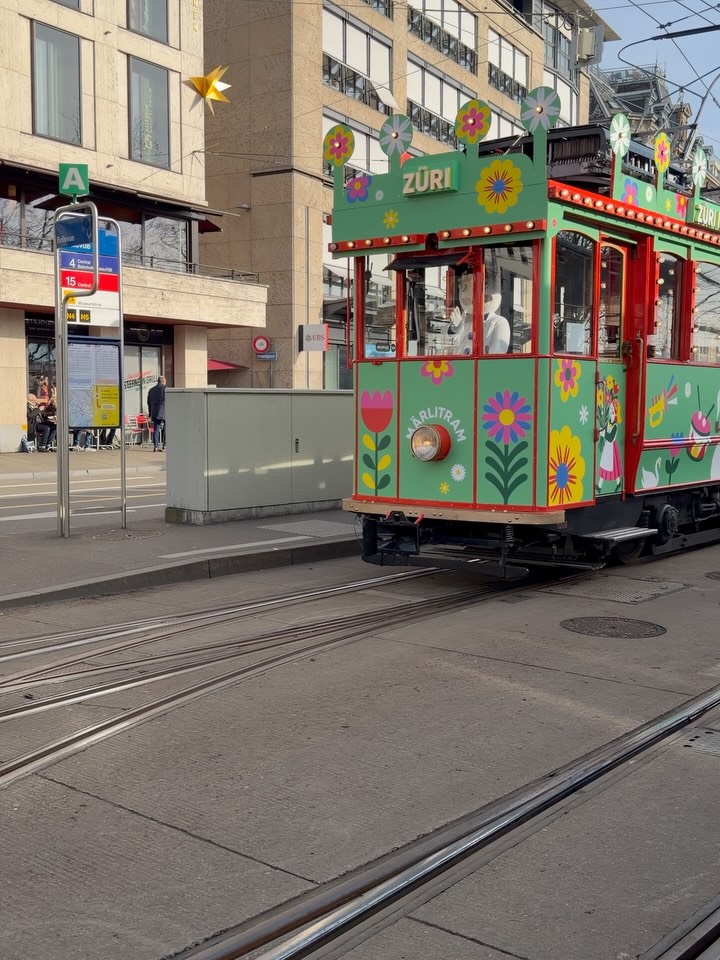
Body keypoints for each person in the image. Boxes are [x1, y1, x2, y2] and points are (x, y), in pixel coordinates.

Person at [147, 375, 166, 452]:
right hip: (164, 411)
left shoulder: (151, 390)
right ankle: (165, 445)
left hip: (154, 411)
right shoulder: (166, 389)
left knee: (156, 429)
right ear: (164, 381)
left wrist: (150, 413)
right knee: (167, 428)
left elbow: (149, 403)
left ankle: (155, 446)